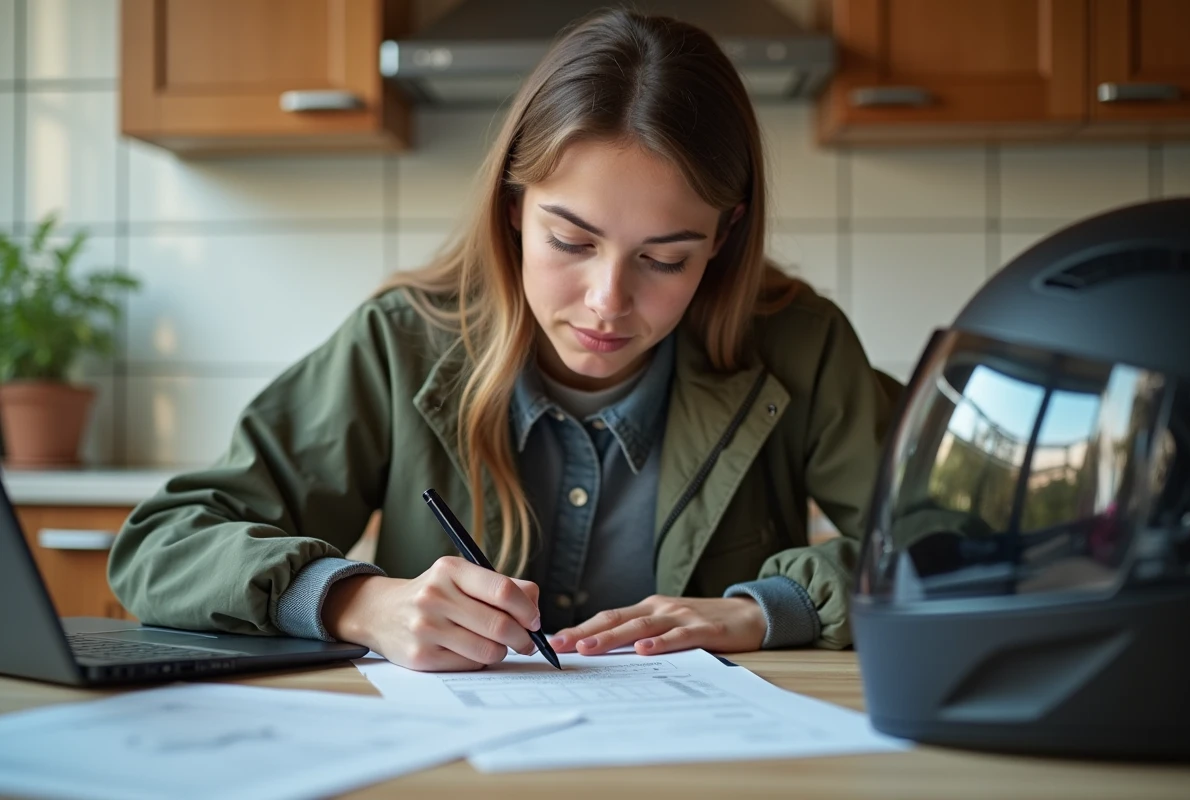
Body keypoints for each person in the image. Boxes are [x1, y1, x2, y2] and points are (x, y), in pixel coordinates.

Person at [108, 9, 895, 672]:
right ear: (515, 207)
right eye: (572, 242)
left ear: (723, 238)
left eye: (665, 259)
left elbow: (968, 544)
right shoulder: (399, 344)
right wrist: (358, 601)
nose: (607, 302)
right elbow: (163, 544)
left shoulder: (801, 346)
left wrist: (773, 610)